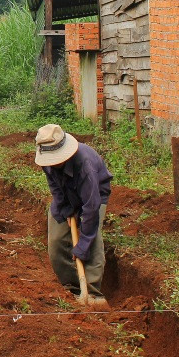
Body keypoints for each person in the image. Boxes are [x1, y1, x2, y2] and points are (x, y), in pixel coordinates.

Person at [35, 124, 112, 306]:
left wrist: (83, 245)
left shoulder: (84, 165)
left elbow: (91, 208)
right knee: (56, 241)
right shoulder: (46, 159)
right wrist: (65, 208)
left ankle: (92, 292)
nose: (53, 163)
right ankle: (71, 287)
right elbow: (54, 186)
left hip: (94, 196)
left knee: (91, 240)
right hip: (66, 195)